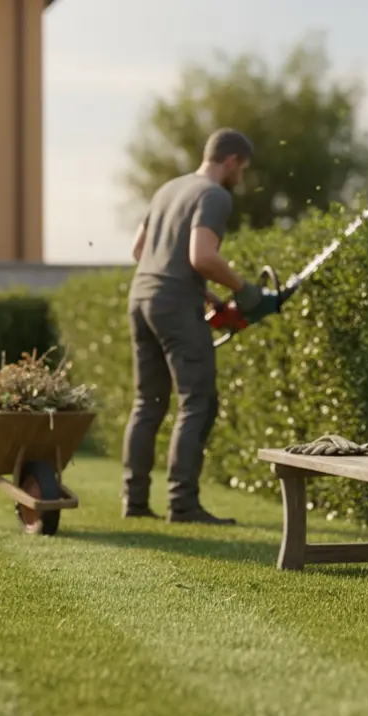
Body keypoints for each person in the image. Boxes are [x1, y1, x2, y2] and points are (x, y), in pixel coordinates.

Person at [120, 127, 279, 525]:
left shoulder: (168, 189)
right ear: (232, 161)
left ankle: (134, 501)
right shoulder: (213, 195)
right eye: (242, 169)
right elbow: (202, 256)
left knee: (147, 403)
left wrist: (203, 294)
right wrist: (245, 291)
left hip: (140, 298)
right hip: (174, 305)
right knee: (198, 402)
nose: (241, 176)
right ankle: (183, 505)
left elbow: (139, 251)